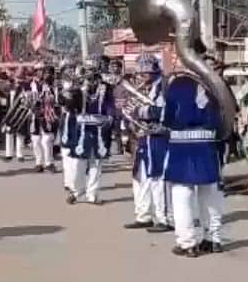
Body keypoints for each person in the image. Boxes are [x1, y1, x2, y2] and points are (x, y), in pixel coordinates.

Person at [163, 69, 226, 257]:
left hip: (181, 145)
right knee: (210, 193)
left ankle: (187, 243)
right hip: (207, 142)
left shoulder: (178, 83)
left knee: (182, 194)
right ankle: (213, 239)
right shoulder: (214, 81)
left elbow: (168, 118)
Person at [124, 57, 171, 232]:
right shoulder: (144, 88)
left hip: (159, 137)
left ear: (154, 71)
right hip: (144, 138)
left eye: (145, 72)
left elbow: (164, 111)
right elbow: (130, 110)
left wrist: (140, 111)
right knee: (140, 177)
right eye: (140, 72)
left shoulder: (163, 87)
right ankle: (143, 216)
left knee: (157, 178)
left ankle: (163, 218)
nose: (141, 75)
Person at [63, 70, 116, 205]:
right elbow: (69, 106)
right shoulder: (79, 91)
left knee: (96, 163)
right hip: (82, 132)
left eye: (93, 78)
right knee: (79, 164)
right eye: (87, 78)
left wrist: (109, 116)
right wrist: (70, 93)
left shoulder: (105, 90)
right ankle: (76, 192)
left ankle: (92, 194)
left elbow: (110, 107)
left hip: (99, 131)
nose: (91, 81)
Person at [29, 66, 60, 173]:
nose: (44, 74)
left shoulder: (53, 85)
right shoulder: (32, 84)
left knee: (47, 139)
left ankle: (49, 162)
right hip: (35, 114)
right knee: (36, 139)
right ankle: (39, 163)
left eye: (47, 72)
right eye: (41, 71)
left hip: (48, 115)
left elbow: (56, 100)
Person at [2, 77, 30, 162]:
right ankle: (8, 154)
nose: (14, 84)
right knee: (8, 134)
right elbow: (7, 105)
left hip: (19, 115)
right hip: (10, 115)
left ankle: (20, 154)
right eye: (13, 83)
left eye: (17, 83)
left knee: (20, 135)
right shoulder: (9, 93)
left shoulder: (22, 93)